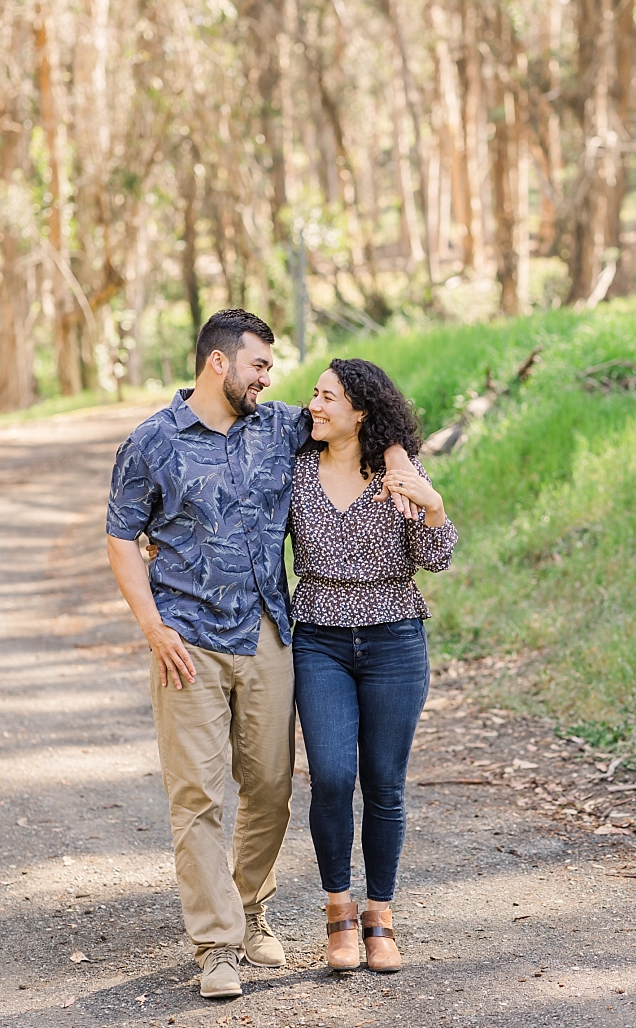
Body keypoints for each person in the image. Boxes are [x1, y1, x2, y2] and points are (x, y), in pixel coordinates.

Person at [106, 309, 418, 999]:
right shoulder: (153, 441)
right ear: (220, 363)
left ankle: (251, 906)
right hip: (186, 642)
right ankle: (217, 946)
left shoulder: (279, 428)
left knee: (272, 789)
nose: (270, 380)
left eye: (270, 369)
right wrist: (152, 625)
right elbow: (122, 534)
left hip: (270, 634)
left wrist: (397, 460)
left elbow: (369, 425)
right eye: (259, 366)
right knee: (196, 798)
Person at [288, 358, 456, 973]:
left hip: (393, 641)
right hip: (320, 641)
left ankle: (379, 914)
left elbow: (434, 557)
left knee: (384, 782)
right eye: (315, 394)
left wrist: (433, 508)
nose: (315, 405)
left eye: (328, 396)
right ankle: (338, 910)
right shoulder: (297, 470)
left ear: (360, 411)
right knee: (331, 776)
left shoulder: (399, 475)